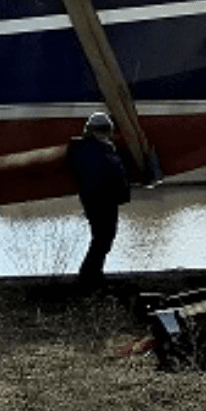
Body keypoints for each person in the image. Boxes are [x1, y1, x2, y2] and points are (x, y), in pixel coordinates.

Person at [67, 112, 131, 289]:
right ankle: (89, 276)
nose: (104, 132)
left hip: (100, 198)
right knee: (103, 237)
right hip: (101, 199)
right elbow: (105, 174)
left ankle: (93, 274)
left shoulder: (88, 148)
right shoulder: (96, 150)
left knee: (103, 237)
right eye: (102, 129)